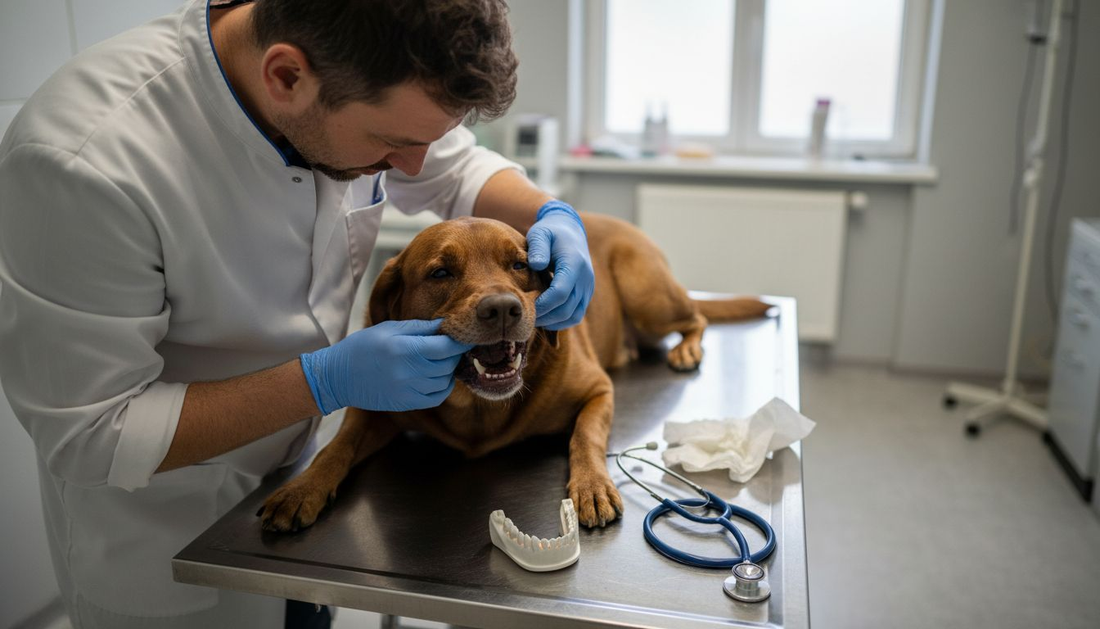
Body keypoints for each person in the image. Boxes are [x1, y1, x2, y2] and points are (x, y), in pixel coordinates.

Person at [0, 1, 594, 627]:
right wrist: (324, 381)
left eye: (423, 142)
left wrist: (553, 214)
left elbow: (455, 166)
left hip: (303, 503)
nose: (413, 167)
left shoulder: (348, 82)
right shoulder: (82, 162)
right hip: (167, 544)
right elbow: (93, 434)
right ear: (287, 77)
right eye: (391, 145)